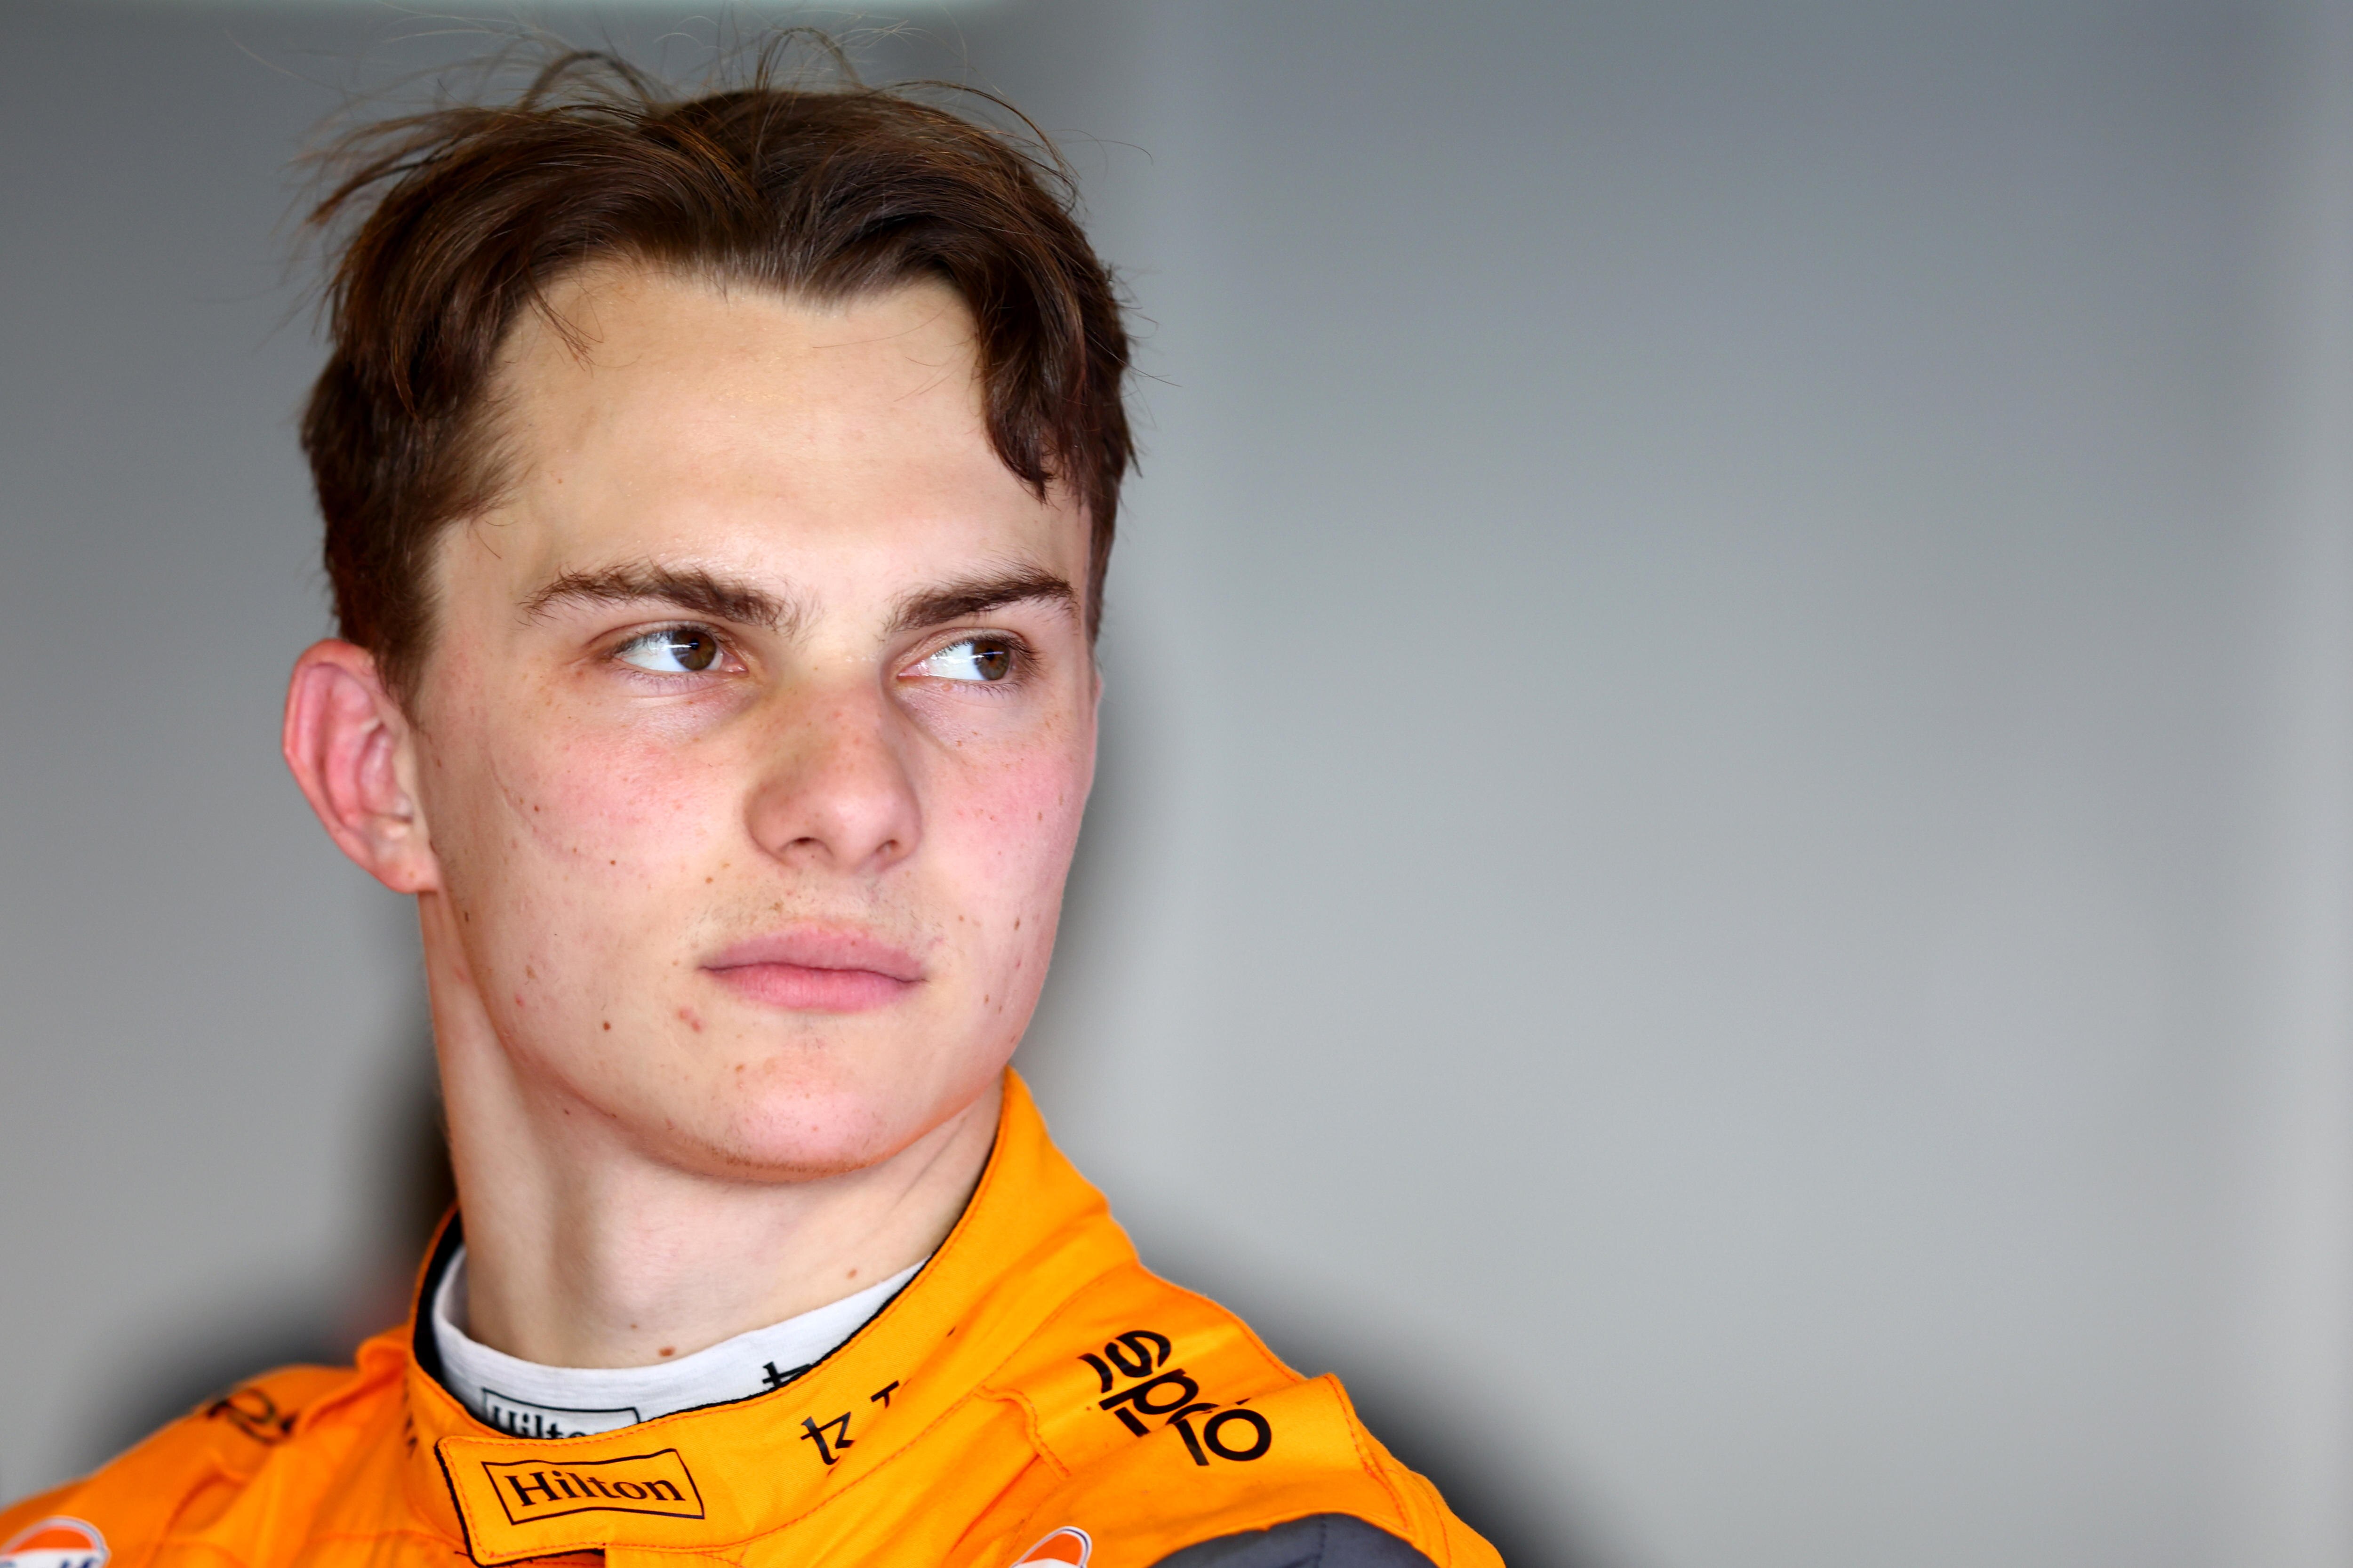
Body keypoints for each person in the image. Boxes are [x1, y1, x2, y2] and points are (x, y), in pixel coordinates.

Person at [0, 48, 1500, 1568]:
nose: (853, 798)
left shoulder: (1257, 1547)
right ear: (377, 767)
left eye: (976, 656)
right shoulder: (138, 1538)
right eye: (681, 645)